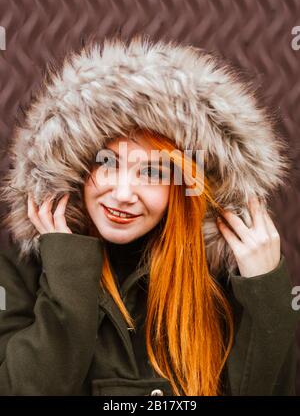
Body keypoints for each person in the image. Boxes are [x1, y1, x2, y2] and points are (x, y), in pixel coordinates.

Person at [0, 35, 299, 396]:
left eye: (155, 173)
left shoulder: (224, 279)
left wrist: (265, 291)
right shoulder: (19, 272)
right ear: (75, 168)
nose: (124, 194)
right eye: (107, 163)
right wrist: (67, 270)